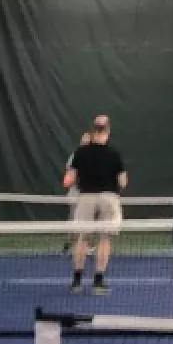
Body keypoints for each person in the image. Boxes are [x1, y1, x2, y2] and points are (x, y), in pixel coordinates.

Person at [65, 120, 126, 295]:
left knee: (83, 238)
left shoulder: (80, 153)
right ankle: (98, 282)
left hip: (85, 197)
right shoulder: (114, 154)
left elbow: (69, 179)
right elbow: (122, 182)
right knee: (105, 239)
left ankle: (76, 282)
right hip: (109, 197)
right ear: (107, 131)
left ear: (93, 131)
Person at [61, 130, 94, 254]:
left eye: (87, 139)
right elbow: (70, 174)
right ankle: (69, 245)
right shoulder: (75, 156)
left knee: (88, 221)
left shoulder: (94, 156)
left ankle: (85, 246)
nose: (84, 141)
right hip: (75, 194)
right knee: (74, 219)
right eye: (83, 139)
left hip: (89, 194)